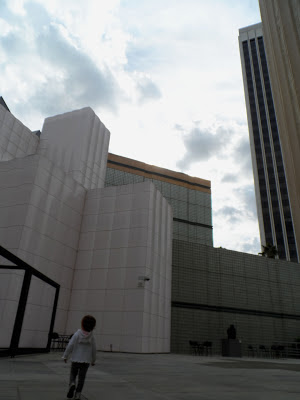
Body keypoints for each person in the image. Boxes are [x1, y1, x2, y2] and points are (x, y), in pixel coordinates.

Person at [62, 315, 97, 400]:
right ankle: (77, 394)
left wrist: (65, 356)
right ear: (93, 326)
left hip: (75, 359)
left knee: (73, 374)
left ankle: (72, 384)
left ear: (82, 324)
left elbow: (70, 345)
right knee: (82, 378)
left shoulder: (77, 334)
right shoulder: (92, 337)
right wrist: (93, 360)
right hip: (85, 362)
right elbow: (94, 349)